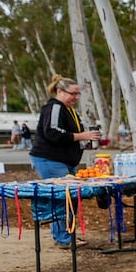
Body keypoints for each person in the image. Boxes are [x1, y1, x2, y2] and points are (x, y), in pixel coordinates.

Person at [29, 76, 101, 248]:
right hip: (50, 159)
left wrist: (86, 142)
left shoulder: (70, 110)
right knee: (64, 196)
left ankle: (65, 235)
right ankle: (63, 238)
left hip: (64, 160)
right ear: (59, 91)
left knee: (70, 196)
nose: (76, 97)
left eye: (78, 94)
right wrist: (82, 136)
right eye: (72, 93)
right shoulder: (54, 107)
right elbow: (52, 132)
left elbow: (72, 136)